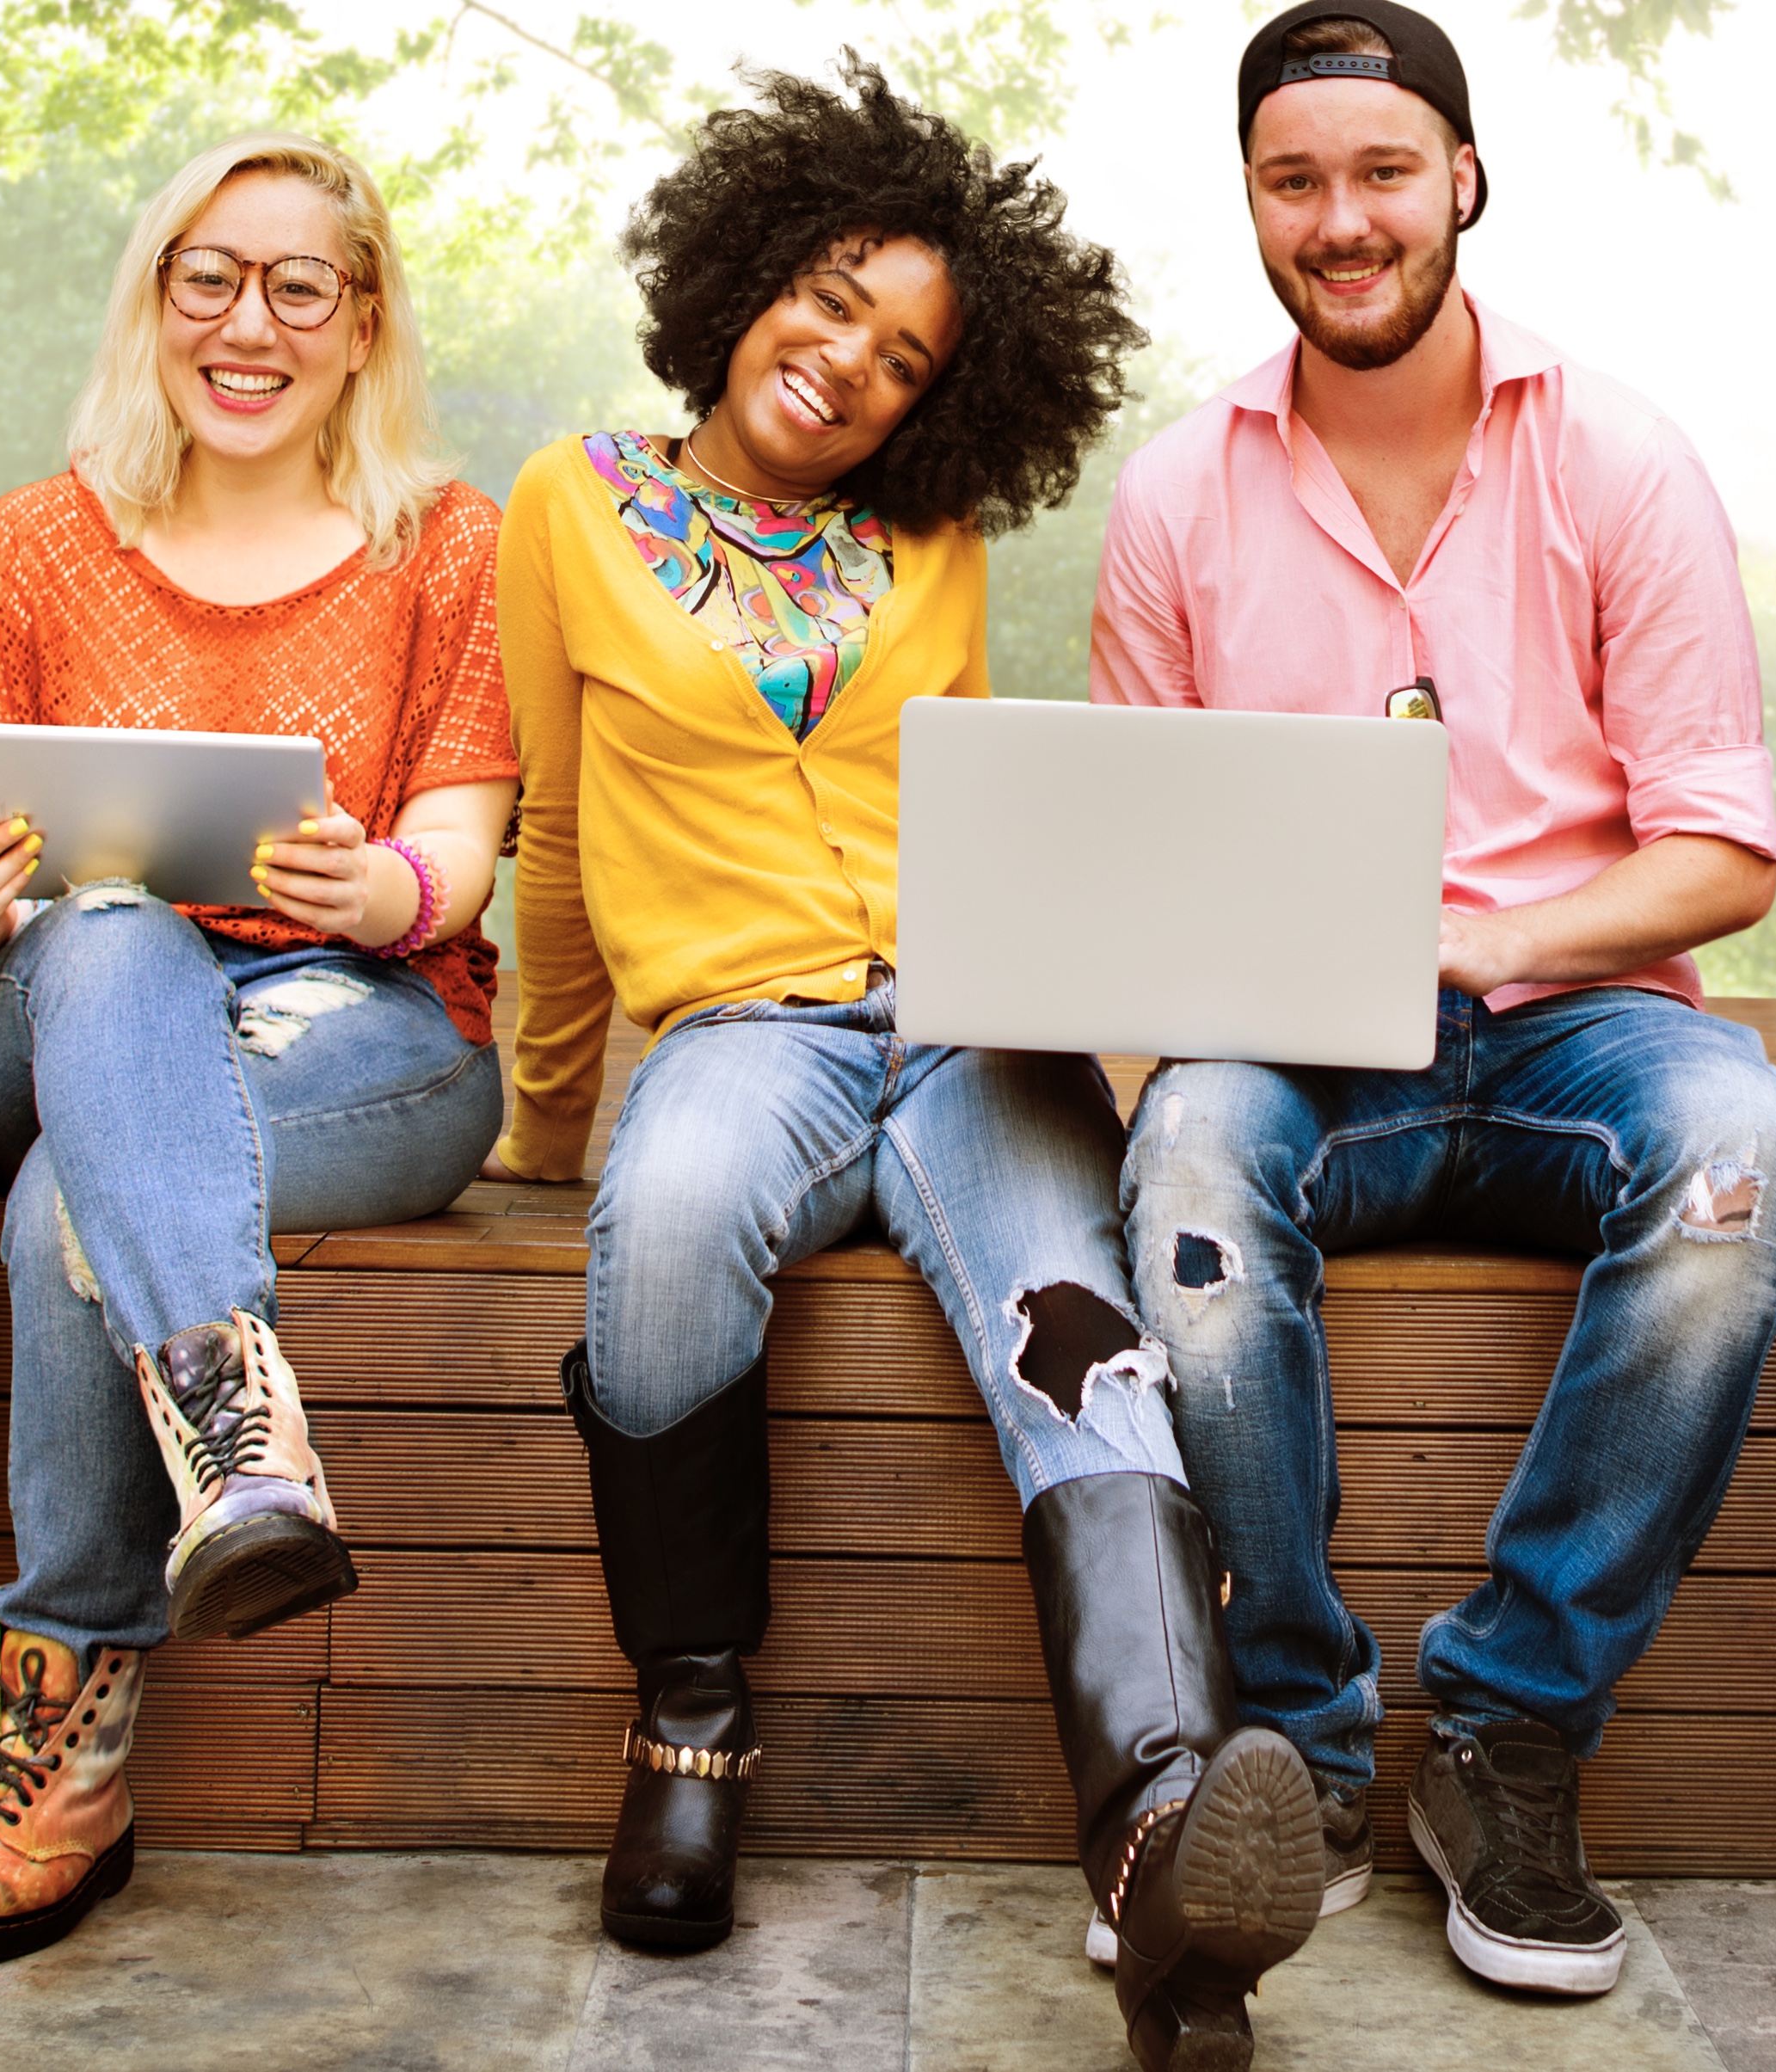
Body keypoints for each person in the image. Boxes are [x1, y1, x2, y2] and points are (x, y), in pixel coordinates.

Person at [497, 60, 1324, 2071]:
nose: (847, 362)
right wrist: (540, 1113)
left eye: (901, 355)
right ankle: (688, 1717)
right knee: (672, 1211)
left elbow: (975, 808)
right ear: (747, 275)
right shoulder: (569, 505)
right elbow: (545, 830)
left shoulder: (930, 539)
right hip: (743, 1029)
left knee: (1083, 1331)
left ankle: (1152, 1834)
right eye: (827, 299)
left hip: (965, 1023)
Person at [1090, 2, 1776, 2005]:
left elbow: (1724, 858)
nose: (1342, 217)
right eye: (1295, 179)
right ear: (1251, 201)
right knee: (1196, 1152)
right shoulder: (1174, 496)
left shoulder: (1621, 458)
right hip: (1307, 1051)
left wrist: (1486, 942)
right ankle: (1297, 1745)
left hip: (1576, 1016)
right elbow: (1147, 857)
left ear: (1464, 181)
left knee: (1741, 1139)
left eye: (1383, 171)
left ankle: (1506, 1729)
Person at [0, 132, 513, 1963]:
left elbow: (459, 846)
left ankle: (52, 1752)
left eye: (301, 284)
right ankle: (237, 1441)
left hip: (357, 1031)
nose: (249, 321)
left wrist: (380, 888)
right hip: (50, 1014)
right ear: (155, 301)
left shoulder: (445, 543)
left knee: (96, 1179)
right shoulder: (38, 538)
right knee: (114, 922)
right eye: (207, 275)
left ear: (363, 323)